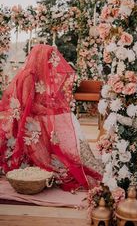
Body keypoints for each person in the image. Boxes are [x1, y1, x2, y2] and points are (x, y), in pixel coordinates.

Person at [0, 44, 102, 191]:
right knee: (58, 123)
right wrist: (48, 109)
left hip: (31, 114)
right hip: (25, 118)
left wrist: (50, 106)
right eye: (48, 59)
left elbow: (36, 100)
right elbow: (26, 105)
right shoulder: (29, 75)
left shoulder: (33, 73)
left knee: (63, 118)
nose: (50, 63)